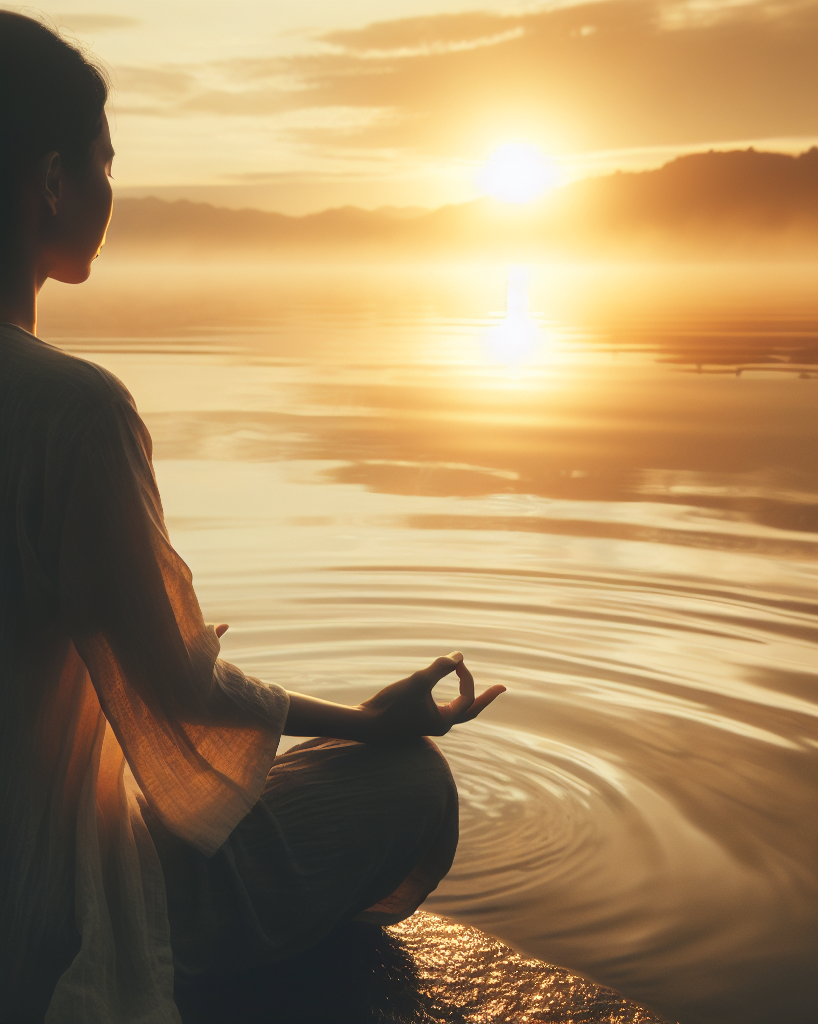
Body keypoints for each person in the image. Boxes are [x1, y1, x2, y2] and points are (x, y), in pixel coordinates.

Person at [0, 14, 505, 1023]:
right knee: (412, 789)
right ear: (52, 179)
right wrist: (364, 722)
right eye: (104, 163)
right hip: (42, 905)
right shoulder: (75, 413)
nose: (112, 191)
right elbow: (180, 690)